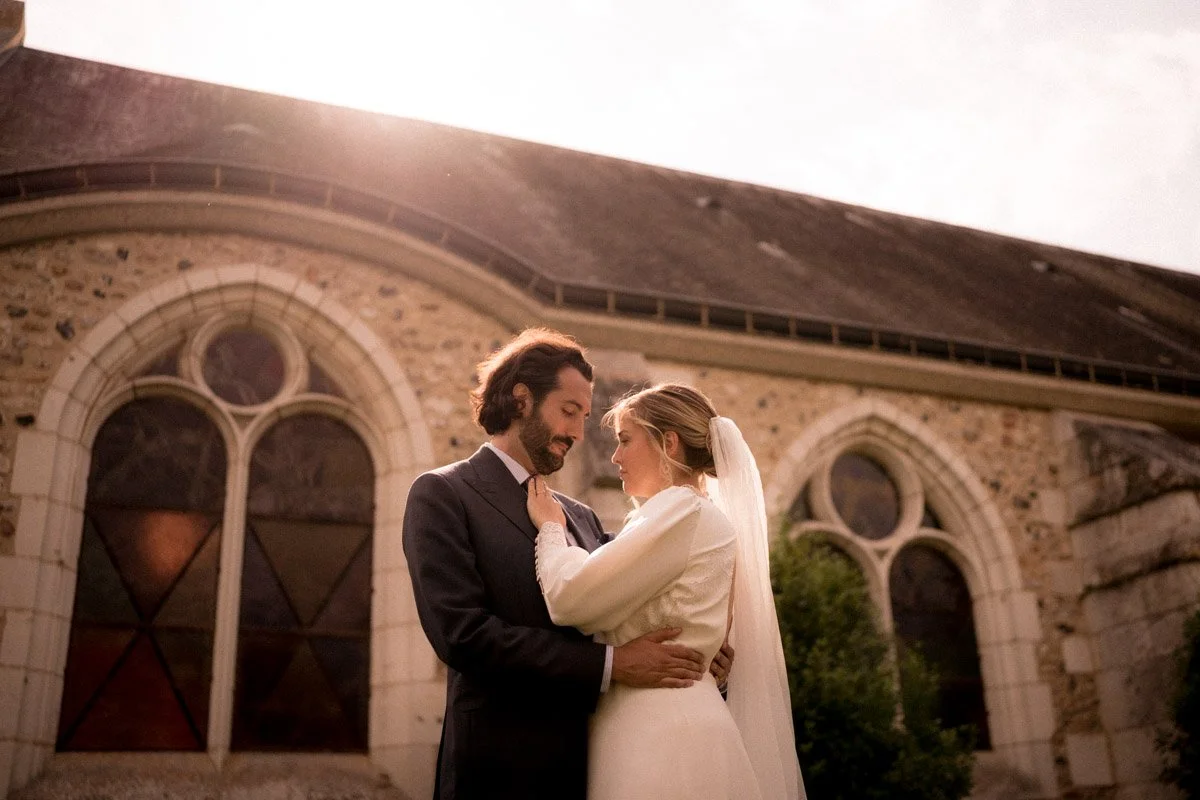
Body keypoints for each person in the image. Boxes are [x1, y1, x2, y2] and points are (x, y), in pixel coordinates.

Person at [402, 329, 718, 800]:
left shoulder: (582, 516)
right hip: (496, 774)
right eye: (568, 412)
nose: (576, 432)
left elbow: (633, 601)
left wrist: (700, 647)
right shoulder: (443, 495)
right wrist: (613, 665)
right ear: (522, 400)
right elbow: (462, 636)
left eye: (584, 418)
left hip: (589, 769)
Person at [528, 383, 806, 800]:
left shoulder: (682, 511)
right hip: (672, 719)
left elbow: (571, 598)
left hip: (661, 730)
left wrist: (551, 527)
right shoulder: (695, 517)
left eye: (624, 441)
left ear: (668, 443)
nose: (615, 457)